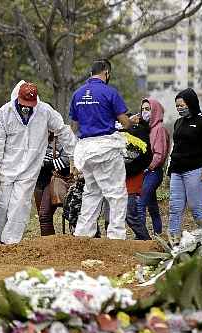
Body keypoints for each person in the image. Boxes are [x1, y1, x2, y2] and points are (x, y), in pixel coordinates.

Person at [0, 80, 76, 244]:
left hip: (29, 168)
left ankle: (10, 243)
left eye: (31, 104)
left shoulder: (45, 111)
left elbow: (63, 131)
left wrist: (73, 156)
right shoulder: (4, 113)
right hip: (5, 168)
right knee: (1, 206)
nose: (27, 107)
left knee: (19, 206)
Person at [69, 59, 131, 239]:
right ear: (106, 73)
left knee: (92, 192)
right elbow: (125, 122)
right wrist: (130, 121)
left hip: (86, 150)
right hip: (107, 149)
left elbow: (73, 126)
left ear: (90, 74)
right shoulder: (110, 92)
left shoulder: (77, 94)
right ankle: (116, 235)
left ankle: (83, 234)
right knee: (116, 194)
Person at [168, 88, 202, 243]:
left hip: (195, 171)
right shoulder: (178, 123)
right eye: (177, 106)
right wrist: (170, 168)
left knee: (196, 208)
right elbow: (175, 146)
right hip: (177, 171)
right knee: (175, 207)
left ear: (191, 102)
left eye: (182, 105)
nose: (179, 108)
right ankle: (173, 239)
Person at [139, 98, 170, 236]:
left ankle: (141, 236)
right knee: (152, 207)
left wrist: (149, 167)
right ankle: (158, 235)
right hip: (146, 172)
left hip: (153, 172)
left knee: (140, 204)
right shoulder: (147, 129)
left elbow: (160, 154)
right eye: (143, 109)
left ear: (155, 111)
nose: (145, 112)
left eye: (148, 109)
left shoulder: (159, 129)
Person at [35, 133, 70, 236]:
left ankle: (49, 245)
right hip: (38, 180)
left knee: (44, 215)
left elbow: (68, 159)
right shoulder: (31, 137)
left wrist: (45, 163)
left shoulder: (60, 138)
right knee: (44, 218)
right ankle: (48, 247)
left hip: (53, 179)